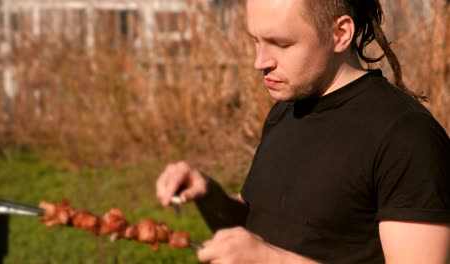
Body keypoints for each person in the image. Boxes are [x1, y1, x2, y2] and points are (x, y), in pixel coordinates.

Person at [156, 0, 450, 263]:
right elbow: (258, 229)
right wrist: (209, 195)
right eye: (255, 41)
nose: (260, 62)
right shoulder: (286, 110)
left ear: (340, 33)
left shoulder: (407, 136)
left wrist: (271, 261)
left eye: (281, 44)